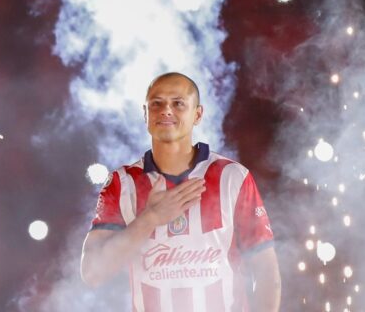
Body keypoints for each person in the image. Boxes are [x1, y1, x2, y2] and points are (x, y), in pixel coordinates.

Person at [81, 72, 281, 311]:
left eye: (178, 103)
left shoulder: (232, 177)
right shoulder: (121, 183)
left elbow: (267, 272)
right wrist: (150, 218)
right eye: (157, 103)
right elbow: (92, 273)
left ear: (197, 114)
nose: (166, 110)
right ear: (145, 114)